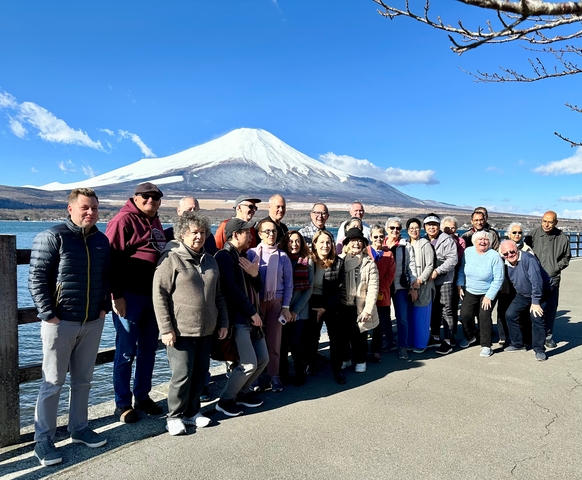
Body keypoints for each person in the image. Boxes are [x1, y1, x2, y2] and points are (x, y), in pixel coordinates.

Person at [28, 188, 110, 466]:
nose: (91, 213)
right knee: (52, 383)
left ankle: (79, 429)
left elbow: (105, 275)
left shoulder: (101, 240)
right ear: (71, 209)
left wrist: (103, 307)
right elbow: (37, 277)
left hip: (92, 321)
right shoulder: (53, 237)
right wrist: (49, 314)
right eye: (86, 207)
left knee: (84, 380)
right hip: (60, 322)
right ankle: (43, 441)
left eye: (95, 208)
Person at [153, 212, 229, 435]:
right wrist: (166, 328)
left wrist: (222, 322)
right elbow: (159, 295)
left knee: (200, 372)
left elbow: (219, 295)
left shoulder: (211, 260)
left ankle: (192, 412)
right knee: (182, 374)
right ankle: (174, 416)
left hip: (206, 329)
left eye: (202, 232)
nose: (199, 236)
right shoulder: (171, 259)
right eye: (194, 232)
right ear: (182, 234)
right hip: (180, 330)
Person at [105, 182, 167, 423]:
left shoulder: (155, 222)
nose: (151, 200)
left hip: (153, 296)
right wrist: (116, 295)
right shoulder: (123, 221)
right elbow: (109, 259)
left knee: (149, 350)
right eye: (146, 197)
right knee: (126, 350)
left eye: (156, 197)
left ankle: (142, 396)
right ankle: (122, 403)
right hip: (129, 297)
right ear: (136, 198)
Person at [214, 218, 269, 417]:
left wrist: (255, 275)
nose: (251, 236)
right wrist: (252, 312)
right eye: (247, 232)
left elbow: (258, 288)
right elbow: (231, 290)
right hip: (239, 320)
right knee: (247, 364)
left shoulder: (243, 256)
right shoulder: (224, 257)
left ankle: (242, 393)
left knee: (263, 359)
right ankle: (226, 400)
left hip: (252, 318)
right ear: (235, 234)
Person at [246, 218, 293, 393]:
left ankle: (274, 375)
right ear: (259, 234)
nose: (271, 234)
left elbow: (289, 284)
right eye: (267, 231)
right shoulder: (252, 254)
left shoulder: (283, 257)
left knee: (274, 342)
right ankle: (257, 377)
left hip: (276, 303)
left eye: (273, 231)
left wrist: (286, 306)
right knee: (257, 340)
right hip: (257, 303)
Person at [499, 240, 551, 361]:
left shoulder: (529, 259)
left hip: (540, 293)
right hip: (522, 294)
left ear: (517, 249)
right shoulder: (505, 263)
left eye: (512, 251)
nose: (510, 255)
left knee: (536, 317)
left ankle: (539, 349)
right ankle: (518, 344)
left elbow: (537, 282)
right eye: (505, 254)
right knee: (510, 314)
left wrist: (536, 302)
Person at [525, 211, 571, 348]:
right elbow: (524, 251)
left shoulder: (562, 237)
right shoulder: (532, 234)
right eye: (544, 221)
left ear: (556, 222)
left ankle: (548, 336)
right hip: (533, 279)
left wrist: (555, 268)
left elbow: (566, 257)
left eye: (550, 222)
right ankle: (531, 336)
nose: (546, 224)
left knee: (550, 309)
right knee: (533, 308)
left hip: (552, 279)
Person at [338, 228, 380, 375]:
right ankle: (346, 358)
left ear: (363, 243)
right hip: (343, 305)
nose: (356, 243)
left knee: (359, 335)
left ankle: (361, 360)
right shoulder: (340, 260)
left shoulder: (369, 263)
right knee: (342, 335)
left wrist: (368, 309)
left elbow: (373, 288)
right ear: (347, 243)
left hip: (360, 306)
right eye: (352, 240)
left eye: (359, 240)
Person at [457, 231, 505, 357]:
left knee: (484, 316)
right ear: (474, 241)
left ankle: (486, 345)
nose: (483, 242)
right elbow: (462, 269)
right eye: (480, 239)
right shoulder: (468, 252)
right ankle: (471, 337)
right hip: (471, 290)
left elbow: (499, 278)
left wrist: (489, 296)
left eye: (486, 239)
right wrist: (459, 284)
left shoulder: (494, 256)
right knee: (464, 315)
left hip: (488, 291)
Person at [306, 230, 345, 383]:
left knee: (336, 337)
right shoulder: (308, 261)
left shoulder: (338, 262)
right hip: (311, 302)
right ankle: (311, 363)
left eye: (328, 242)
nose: (325, 245)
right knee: (311, 336)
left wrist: (326, 308)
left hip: (331, 303)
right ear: (315, 244)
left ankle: (337, 368)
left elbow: (339, 288)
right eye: (321, 242)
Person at [278, 230, 314, 386]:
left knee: (296, 342)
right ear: (286, 242)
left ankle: (300, 371)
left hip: (300, 309)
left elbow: (309, 289)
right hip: (282, 309)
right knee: (282, 343)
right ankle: (283, 373)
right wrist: (285, 309)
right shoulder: (280, 259)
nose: (294, 244)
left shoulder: (308, 261)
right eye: (291, 241)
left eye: (298, 241)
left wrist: (295, 311)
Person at [383, 217, 417, 360]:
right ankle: (389, 340)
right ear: (387, 229)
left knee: (402, 318)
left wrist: (414, 286)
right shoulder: (380, 244)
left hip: (400, 287)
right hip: (384, 287)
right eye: (392, 228)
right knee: (384, 318)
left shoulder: (405, 246)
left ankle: (402, 346)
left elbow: (412, 267)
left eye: (398, 228)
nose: (395, 231)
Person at [424, 213, 458, 355]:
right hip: (429, 281)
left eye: (434, 225)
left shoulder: (447, 240)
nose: (432, 227)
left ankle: (449, 341)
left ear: (439, 226)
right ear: (425, 227)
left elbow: (452, 260)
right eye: (429, 225)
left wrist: (437, 271)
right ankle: (436, 336)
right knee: (434, 310)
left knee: (446, 311)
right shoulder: (423, 240)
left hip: (444, 280)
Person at [405, 218, 435, 354]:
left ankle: (421, 343)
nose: (414, 230)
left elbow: (430, 265)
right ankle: (410, 342)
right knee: (410, 315)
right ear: (407, 230)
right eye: (411, 228)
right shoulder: (405, 244)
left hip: (423, 286)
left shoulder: (425, 244)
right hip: (408, 285)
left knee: (421, 316)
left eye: (416, 228)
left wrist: (419, 282)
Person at [368, 224, 396, 360]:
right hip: (365, 294)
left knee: (379, 323)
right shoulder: (365, 252)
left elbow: (391, 275)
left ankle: (376, 349)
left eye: (381, 236)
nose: (378, 239)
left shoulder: (389, 254)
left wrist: (378, 289)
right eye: (375, 236)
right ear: (370, 237)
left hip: (382, 294)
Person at [441, 216, 465, 344]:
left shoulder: (460, 241)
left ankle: (451, 334)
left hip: (455, 276)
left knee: (452, 306)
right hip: (438, 276)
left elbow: (459, 257)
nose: (450, 230)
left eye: (453, 227)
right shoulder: (438, 240)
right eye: (447, 228)